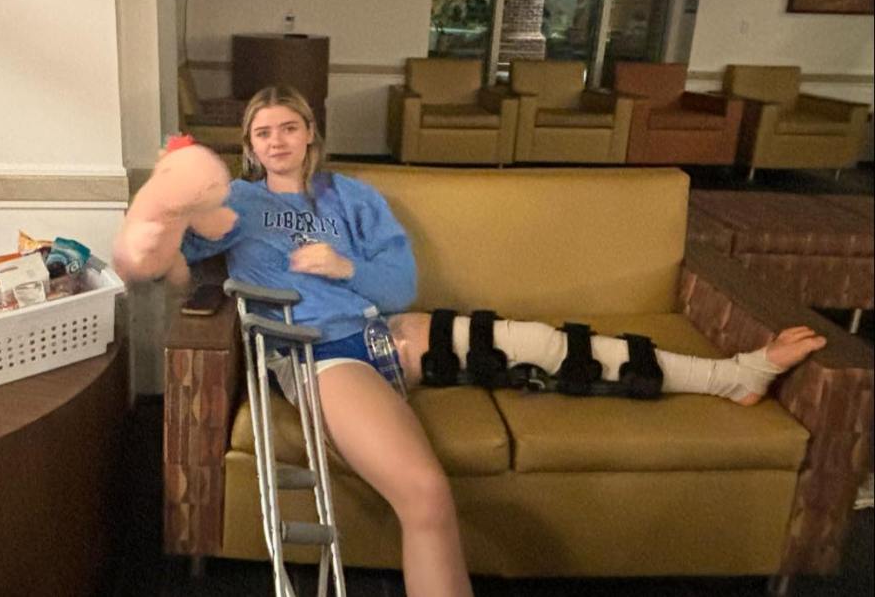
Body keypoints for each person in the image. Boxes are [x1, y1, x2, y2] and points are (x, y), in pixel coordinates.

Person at [112, 85, 826, 596]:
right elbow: (163, 263)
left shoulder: (353, 197)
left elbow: (399, 285)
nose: (277, 141)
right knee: (426, 495)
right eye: (263, 132)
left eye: (289, 128)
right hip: (321, 355)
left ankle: (732, 375)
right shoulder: (237, 204)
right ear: (248, 146)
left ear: (310, 134)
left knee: (538, 344)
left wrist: (345, 266)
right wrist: (163, 205)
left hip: (388, 330)